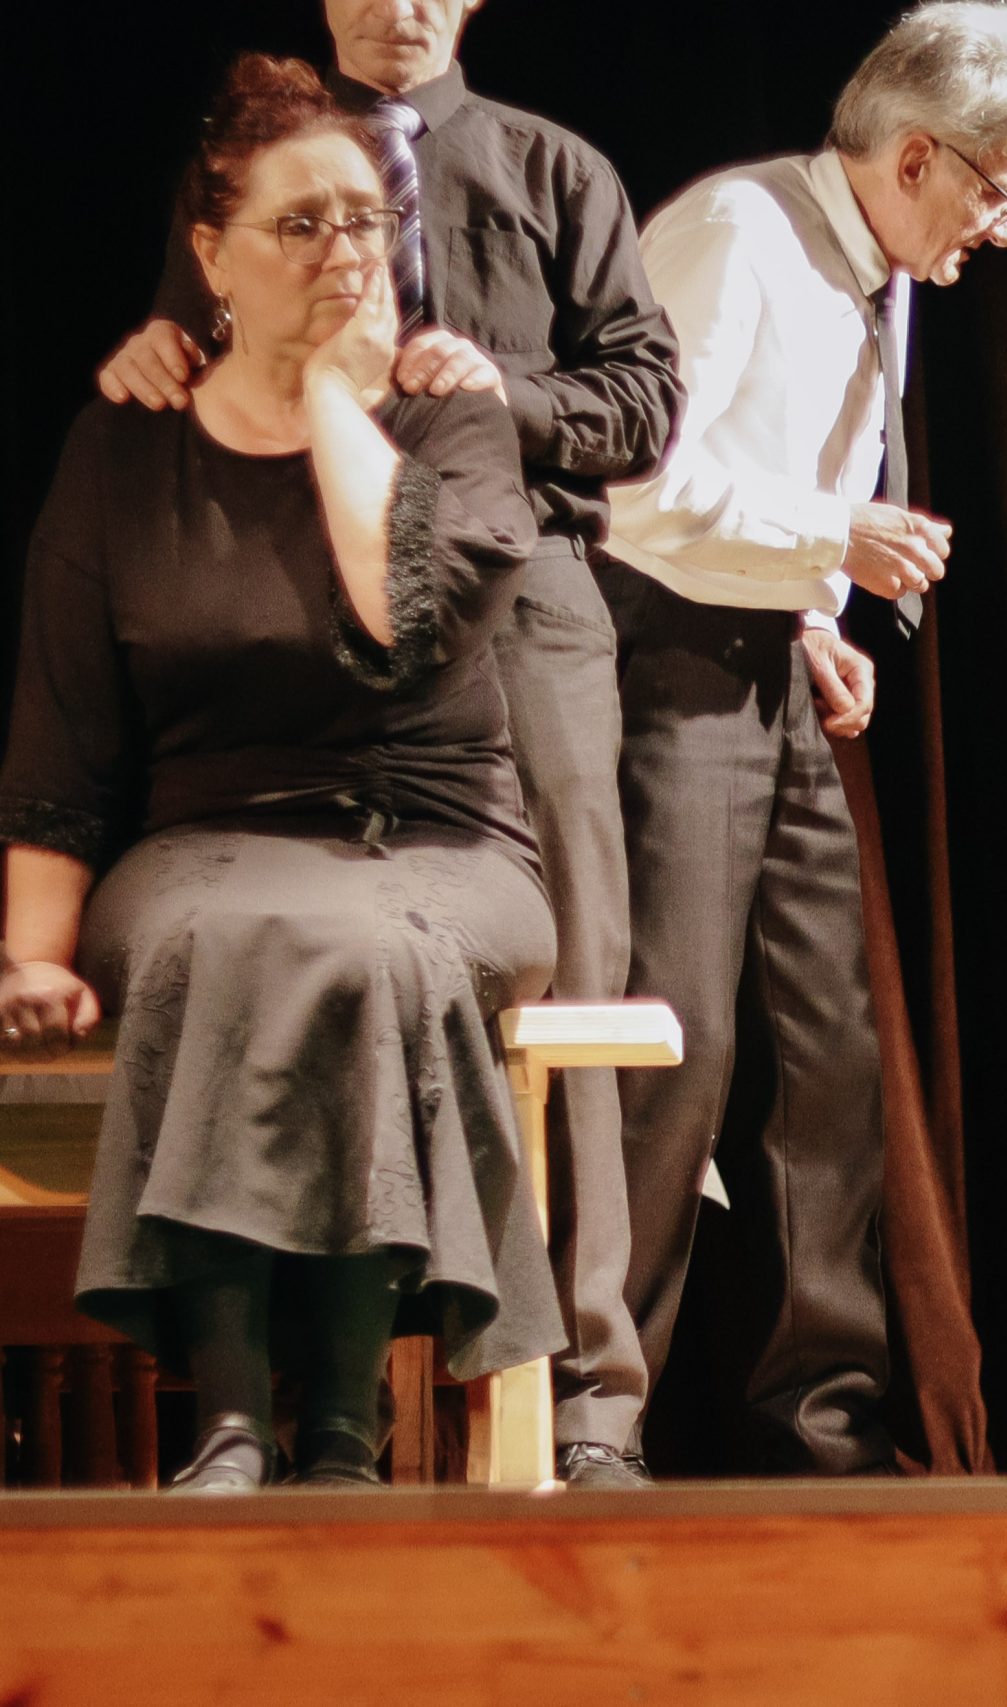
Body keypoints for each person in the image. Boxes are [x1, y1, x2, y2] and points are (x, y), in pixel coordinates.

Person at [95, 0, 682, 1487]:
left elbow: (645, 400)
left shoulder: (556, 169)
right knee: (311, 928)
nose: (400, 5)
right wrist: (160, 352)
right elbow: (207, 338)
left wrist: (496, 390)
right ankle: (309, 1386)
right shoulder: (254, 167)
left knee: (567, 974)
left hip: (518, 594)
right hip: (304, 591)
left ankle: (587, 1389)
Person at [0, 53, 559, 1491]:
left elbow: (405, 622)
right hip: (206, 838)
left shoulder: (451, 418)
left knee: (368, 949)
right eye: (299, 224)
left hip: (436, 839)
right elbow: (64, 728)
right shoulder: (124, 446)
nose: (342, 252)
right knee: (223, 935)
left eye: (366, 221)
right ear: (211, 255)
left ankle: (342, 1427)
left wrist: (327, 398)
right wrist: (33, 953)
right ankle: (235, 1418)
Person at [602, 0, 1007, 1474]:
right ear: (916, 155)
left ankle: (824, 1436)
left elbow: (768, 473)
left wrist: (811, 614)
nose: (1003, 228)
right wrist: (831, 540)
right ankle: (594, 1416)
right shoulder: (737, 234)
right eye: (996, 192)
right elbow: (633, 486)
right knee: (669, 1053)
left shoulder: (885, 267)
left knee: (827, 1059)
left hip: (769, 664)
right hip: (666, 668)